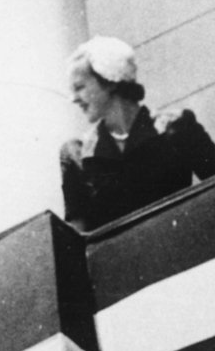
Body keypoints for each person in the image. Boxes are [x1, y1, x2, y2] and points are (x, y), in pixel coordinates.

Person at [60, 36, 215, 232]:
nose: (73, 98)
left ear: (109, 81)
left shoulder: (177, 127)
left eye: (79, 87)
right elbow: (77, 241)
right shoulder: (76, 154)